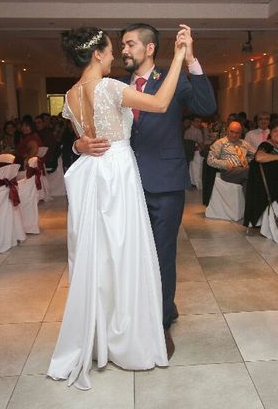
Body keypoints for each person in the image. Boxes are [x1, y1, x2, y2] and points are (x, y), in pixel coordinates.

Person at [47, 25, 188, 390]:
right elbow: (158, 104)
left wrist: (80, 145)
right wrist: (176, 60)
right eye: (110, 51)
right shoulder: (109, 87)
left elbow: (82, 137)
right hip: (118, 173)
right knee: (126, 254)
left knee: (99, 255)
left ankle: (99, 333)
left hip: (93, 175)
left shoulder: (70, 93)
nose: (114, 56)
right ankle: (126, 336)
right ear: (96, 54)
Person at [68, 22, 216, 368]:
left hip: (163, 181)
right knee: (125, 257)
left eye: (130, 44)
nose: (123, 50)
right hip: (121, 185)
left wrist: (190, 58)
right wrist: (79, 144)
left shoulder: (173, 77)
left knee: (161, 255)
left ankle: (161, 322)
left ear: (149, 49)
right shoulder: (110, 86)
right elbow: (85, 132)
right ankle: (130, 320)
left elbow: (207, 106)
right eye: (120, 45)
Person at [207, 121, 255, 186]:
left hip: (243, 170)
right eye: (231, 132)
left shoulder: (244, 144)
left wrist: (246, 159)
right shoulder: (220, 143)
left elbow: (255, 155)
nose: (234, 135)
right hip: (228, 172)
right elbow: (210, 160)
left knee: (248, 182)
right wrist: (225, 165)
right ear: (227, 130)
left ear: (241, 133)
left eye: (237, 133)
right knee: (250, 171)